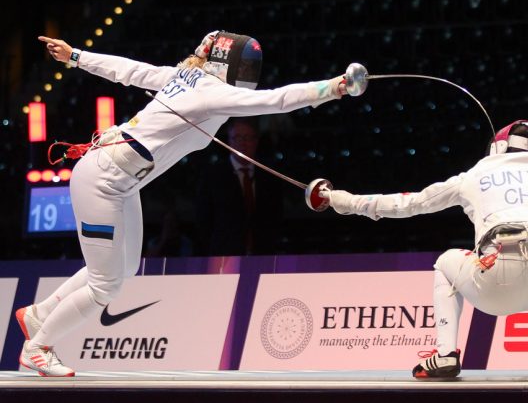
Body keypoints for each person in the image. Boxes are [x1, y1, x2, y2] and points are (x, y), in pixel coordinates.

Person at [15, 31, 353, 376]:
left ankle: (39, 314)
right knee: (107, 283)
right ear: (228, 62)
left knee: (125, 268)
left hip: (121, 182)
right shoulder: (210, 91)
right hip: (103, 181)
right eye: (246, 64)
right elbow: (277, 100)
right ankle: (38, 346)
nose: (250, 72)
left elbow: (129, 70)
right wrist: (334, 87)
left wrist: (76, 56)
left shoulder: (184, 77)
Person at [319, 91, 528, 378]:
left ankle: (446, 355)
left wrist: (342, 201)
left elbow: (407, 203)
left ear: (500, 146)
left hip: (494, 290)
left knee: (447, 262)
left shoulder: (472, 177)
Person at [195, 117, 283, 256]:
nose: (243, 143)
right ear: (229, 141)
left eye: (248, 137)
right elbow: (203, 219)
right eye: (237, 137)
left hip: (263, 253)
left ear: (256, 141)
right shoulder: (213, 176)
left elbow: (276, 216)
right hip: (224, 254)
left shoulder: (269, 174)